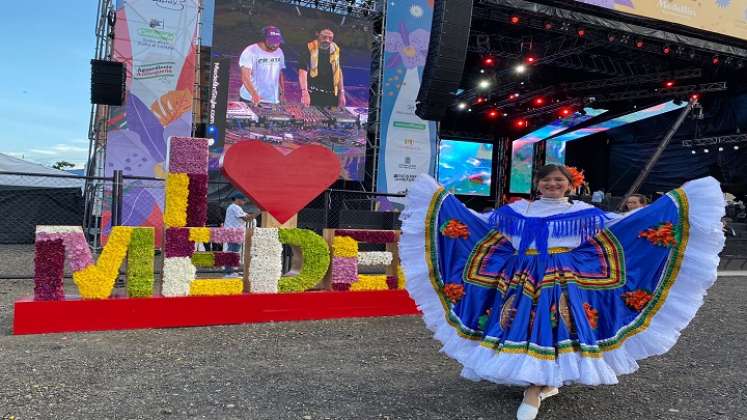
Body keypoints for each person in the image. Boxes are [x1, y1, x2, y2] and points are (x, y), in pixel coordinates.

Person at [399, 164, 725, 420]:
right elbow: (480, 222)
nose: (552, 185)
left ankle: (537, 386)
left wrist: (664, 209)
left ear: (570, 184)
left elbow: (619, 225)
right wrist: (443, 202)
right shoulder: (518, 211)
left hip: (565, 279)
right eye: (546, 181)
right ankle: (537, 383)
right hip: (522, 277)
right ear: (537, 184)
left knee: (557, 326)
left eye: (559, 181)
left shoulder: (583, 213)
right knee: (521, 325)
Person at [298, 27, 346, 108]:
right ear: (317, 34)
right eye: (324, 37)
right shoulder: (308, 47)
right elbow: (303, 70)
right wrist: (305, 92)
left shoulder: (336, 50)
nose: (327, 40)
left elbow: (338, 72)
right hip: (313, 94)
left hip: (332, 95)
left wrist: (341, 93)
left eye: (330, 38)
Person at [239, 26, 286, 105]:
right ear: (264, 39)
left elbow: (279, 73)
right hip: (250, 99)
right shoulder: (250, 52)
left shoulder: (279, 52)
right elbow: (245, 77)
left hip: (272, 100)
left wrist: (281, 94)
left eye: (277, 42)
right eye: (272, 42)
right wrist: (254, 94)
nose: (275, 45)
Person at [223, 194, 255, 276]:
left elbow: (246, 216)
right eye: (243, 200)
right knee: (232, 252)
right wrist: (256, 213)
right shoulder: (234, 207)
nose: (244, 202)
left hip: (235, 232)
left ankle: (231, 271)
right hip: (234, 232)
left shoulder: (236, 208)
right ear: (237, 199)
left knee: (233, 251)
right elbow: (246, 218)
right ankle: (229, 272)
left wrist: (250, 216)